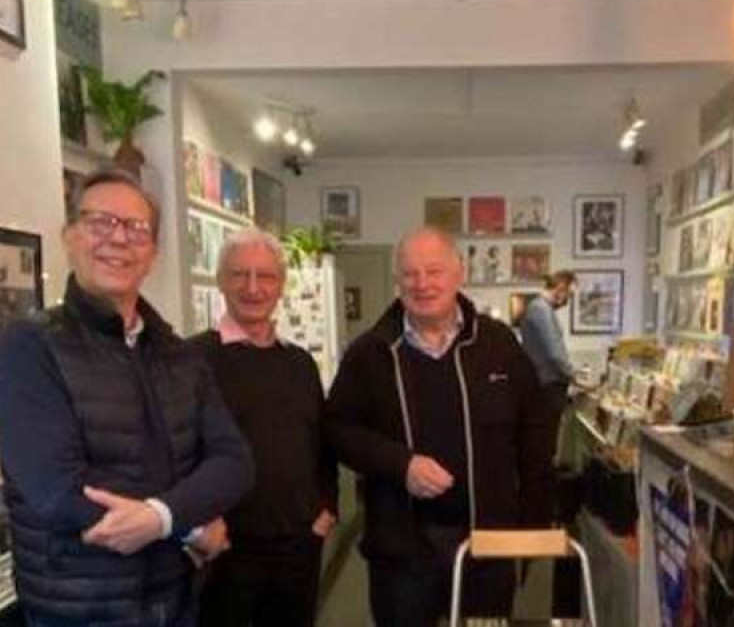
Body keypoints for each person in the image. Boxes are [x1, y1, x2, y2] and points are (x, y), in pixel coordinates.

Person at [0, 169, 255, 627]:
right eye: (100, 222)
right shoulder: (30, 347)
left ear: (152, 253)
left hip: (175, 598)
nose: (118, 239)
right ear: (69, 236)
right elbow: (56, 491)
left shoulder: (176, 353)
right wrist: (180, 522)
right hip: (80, 609)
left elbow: (234, 461)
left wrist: (163, 515)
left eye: (136, 228)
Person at [325, 226, 555, 627]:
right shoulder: (370, 353)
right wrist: (401, 464)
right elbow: (338, 430)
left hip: (488, 546)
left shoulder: (499, 343)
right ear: (397, 283)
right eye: (410, 274)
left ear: (458, 273)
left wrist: (530, 523)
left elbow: (534, 431)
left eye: (434, 271)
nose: (423, 284)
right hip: (401, 553)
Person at [190, 228, 338, 627]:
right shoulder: (192, 359)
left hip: (298, 546)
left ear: (281, 286)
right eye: (240, 275)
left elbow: (321, 446)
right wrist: (196, 526)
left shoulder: (300, 364)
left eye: (266, 276)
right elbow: (174, 451)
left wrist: (327, 509)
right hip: (224, 552)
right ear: (221, 281)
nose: (253, 288)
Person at [519, 270, 577, 455]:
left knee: (543, 442)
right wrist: (574, 375)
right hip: (547, 386)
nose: (568, 301)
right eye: (569, 295)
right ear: (560, 288)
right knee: (544, 444)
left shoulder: (539, 308)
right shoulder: (541, 309)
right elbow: (554, 353)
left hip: (544, 384)